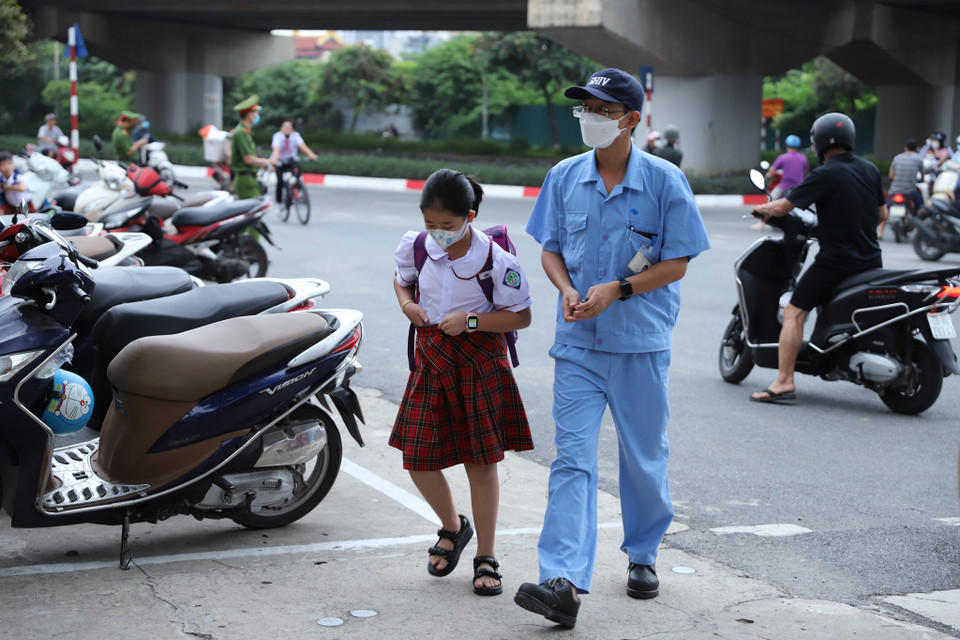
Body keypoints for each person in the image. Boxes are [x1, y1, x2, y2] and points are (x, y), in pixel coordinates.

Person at [515, 68, 710, 629]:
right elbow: (551, 248)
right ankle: (562, 580)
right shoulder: (563, 176)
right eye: (584, 109)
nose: (589, 119)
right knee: (572, 460)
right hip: (577, 342)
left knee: (643, 459)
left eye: (600, 110)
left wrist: (618, 288)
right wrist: (569, 288)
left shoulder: (665, 182)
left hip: (640, 345)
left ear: (630, 120)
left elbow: (676, 261)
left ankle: (643, 553)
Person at [391, 168, 534, 597]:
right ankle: (454, 527)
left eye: (448, 226)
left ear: (469, 216)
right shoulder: (415, 248)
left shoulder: (498, 262)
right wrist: (407, 305)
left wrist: (472, 321)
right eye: (430, 224)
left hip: (478, 363)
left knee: (480, 462)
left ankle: (486, 555)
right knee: (417, 457)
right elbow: (402, 283)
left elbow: (521, 316)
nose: (437, 234)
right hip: (433, 358)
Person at [750, 113, 887, 403]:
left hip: (836, 261)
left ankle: (784, 380)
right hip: (871, 260)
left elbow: (785, 206)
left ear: (819, 142)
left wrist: (764, 210)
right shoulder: (870, 170)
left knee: (794, 312)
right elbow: (882, 215)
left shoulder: (825, 173)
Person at [752, 134, 810, 230]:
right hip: (798, 186)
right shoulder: (803, 158)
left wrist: (769, 175)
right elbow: (805, 171)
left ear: (786, 145)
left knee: (770, 200)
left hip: (785, 185)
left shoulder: (783, 157)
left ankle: (761, 224)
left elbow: (772, 170)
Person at [230, 96, 276, 200]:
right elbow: (248, 159)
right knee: (254, 214)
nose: (257, 115)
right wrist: (267, 161)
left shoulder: (245, 132)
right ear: (249, 114)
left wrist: (264, 165)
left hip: (249, 179)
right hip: (246, 180)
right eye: (255, 112)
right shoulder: (241, 132)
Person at [269, 120, 318, 205]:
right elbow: (276, 149)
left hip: (291, 159)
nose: (286, 129)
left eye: (288, 127)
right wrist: (275, 160)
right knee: (280, 181)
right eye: (284, 127)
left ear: (293, 129)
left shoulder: (295, 136)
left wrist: (310, 154)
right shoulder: (277, 136)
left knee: (297, 173)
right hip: (280, 161)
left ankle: (297, 189)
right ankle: (279, 202)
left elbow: (303, 146)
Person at [886, 138, 924, 226]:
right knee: (920, 207)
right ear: (916, 149)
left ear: (905, 148)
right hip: (911, 190)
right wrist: (921, 180)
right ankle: (922, 228)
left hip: (895, 190)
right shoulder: (919, 159)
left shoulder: (897, 158)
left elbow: (891, 176)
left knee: (887, 208)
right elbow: (923, 176)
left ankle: (880, 231)